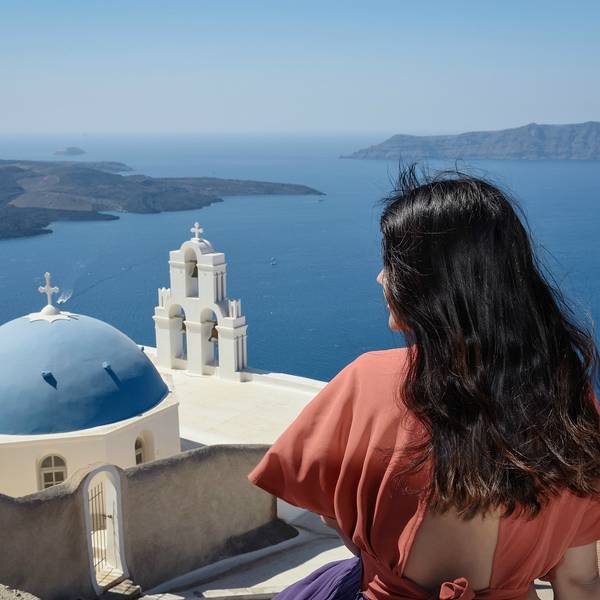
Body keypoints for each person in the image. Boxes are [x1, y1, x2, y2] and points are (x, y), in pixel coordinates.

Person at [247, 165, 600, 600]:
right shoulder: (567, 404)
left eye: (392, 264)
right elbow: (579, 580)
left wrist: (385, 561)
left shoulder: (367, 381)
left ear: (434, 283)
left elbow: (330, 511)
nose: (381, 277)